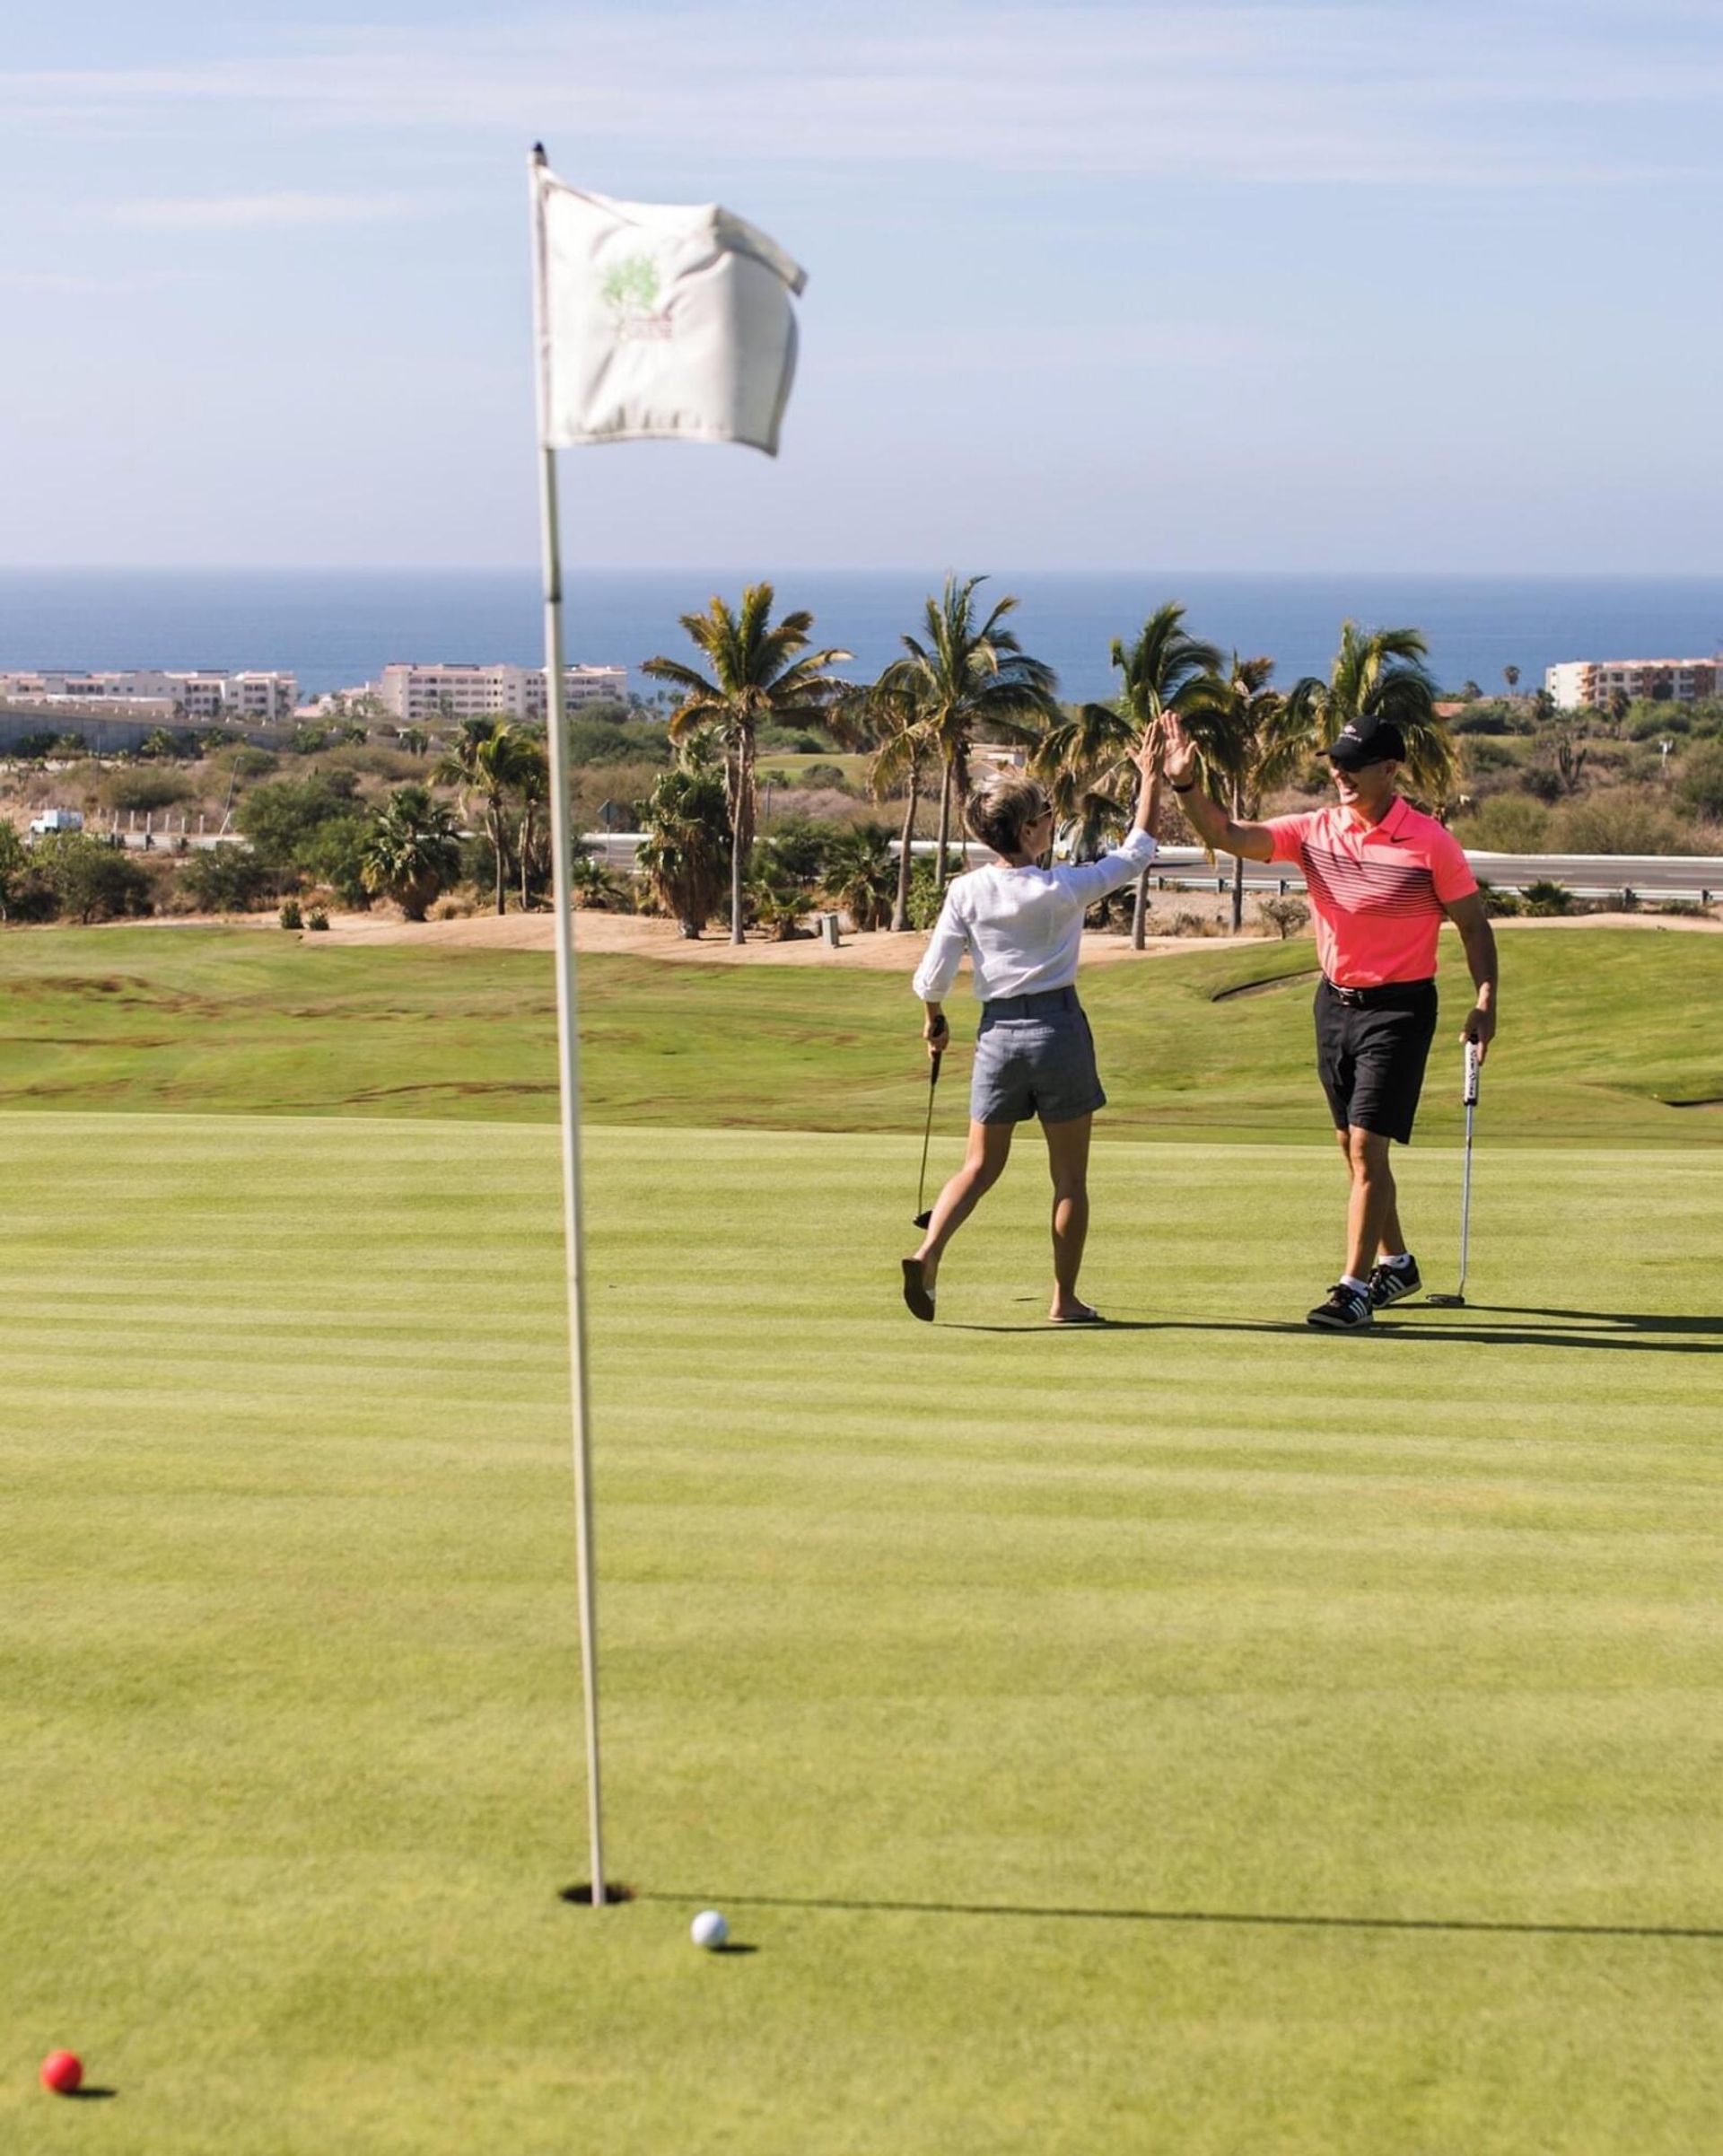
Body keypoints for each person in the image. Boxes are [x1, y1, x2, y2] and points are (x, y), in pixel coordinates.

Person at [1161, 710, 1499, 1330]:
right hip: (1334, 1002)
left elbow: (1473, 924)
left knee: (1369, 1146)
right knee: (1352, 1146)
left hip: (1400, 1008)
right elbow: (1230, 834)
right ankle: (1396, 1263)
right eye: (1335, 762)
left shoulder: (1429, 843)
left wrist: (1484, 999)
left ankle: (1353, 1290)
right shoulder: (1314, 831)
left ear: (1389, 769)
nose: (1340, 772)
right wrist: (1185, 786)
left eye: (1353, 763)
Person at [901, 727, 1165, 1326]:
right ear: (1026, 831)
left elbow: (932, 976)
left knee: (979, 1166)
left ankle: (928, 1251)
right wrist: (1150, 776)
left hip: (997, 1038)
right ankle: (1064, 1301)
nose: (1053, 821)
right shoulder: (1061, 888)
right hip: (1058, 1031)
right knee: (1069, 1176)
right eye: (1047, 815)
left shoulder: (965, 891)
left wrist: (934, 1022)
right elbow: (1139, 849)